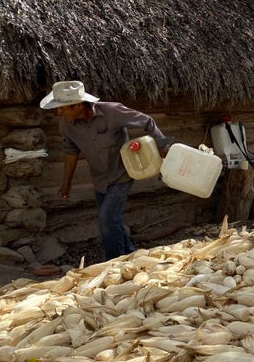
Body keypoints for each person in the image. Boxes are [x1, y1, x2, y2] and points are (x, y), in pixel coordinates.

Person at [40, 80, 169, 260]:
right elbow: (71, 152)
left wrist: (162, 145)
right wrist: (66, 183)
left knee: (107, 221)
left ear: (77, 105)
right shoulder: (66, 125)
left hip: (122, 174)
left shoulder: (112, 112)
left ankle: (113, 264)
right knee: (112, 220)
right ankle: (130, 256)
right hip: (100, 179)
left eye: (62, 108)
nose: (58, 112)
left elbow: (146, 121)